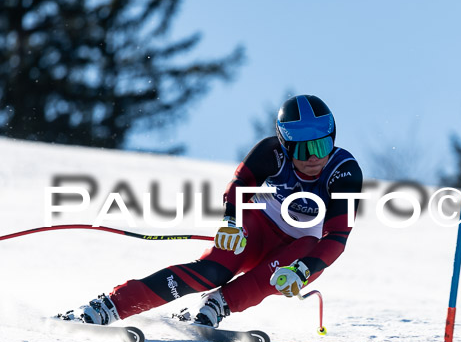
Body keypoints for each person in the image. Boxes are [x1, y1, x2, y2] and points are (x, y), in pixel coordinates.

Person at [62, 95, 363, 328]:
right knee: (212, 270)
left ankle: (218, 305)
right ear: (285, 146)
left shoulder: (343, 172)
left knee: (277, 273)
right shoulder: (271, 153)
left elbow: (336, 236)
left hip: (300, 248)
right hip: (257, 226)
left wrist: (304, 268)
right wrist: (230, 221)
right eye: (301, 149)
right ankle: (109, 305)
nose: (313, 157)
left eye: (321, 146)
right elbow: (240, 184)